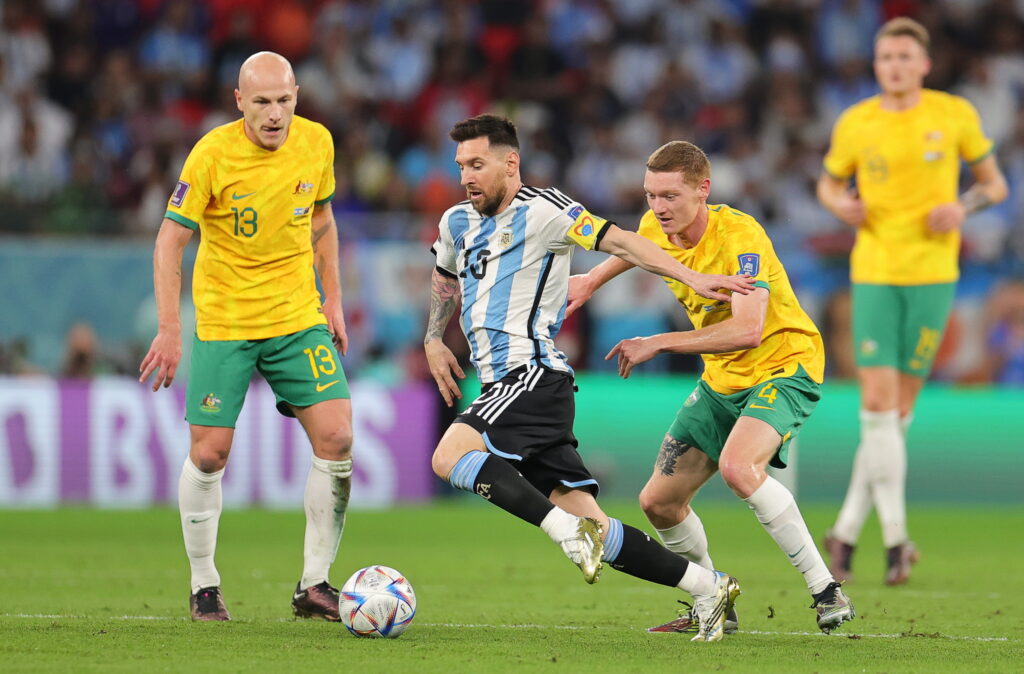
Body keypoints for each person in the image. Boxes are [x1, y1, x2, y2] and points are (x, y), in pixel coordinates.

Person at [424, 114, 753, 642]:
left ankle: (563, 531)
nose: (466, 175)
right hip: (502, 386)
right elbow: (444, 276)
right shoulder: (454, 223)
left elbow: (622, 241)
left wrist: (692, 275)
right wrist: (433, 338)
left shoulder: (545, 210)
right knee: (597, 526)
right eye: (461, 164)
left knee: (448, 457)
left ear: (511, 163)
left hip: (531, 375)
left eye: (477, 164)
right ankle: (708, 587)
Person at [567, 140, 856, 635]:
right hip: (723, 379)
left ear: (703, 190)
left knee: (739, 467)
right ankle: (713, 596)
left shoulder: (740, 237)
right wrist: (591, 279)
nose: (658, 207)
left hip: (783, 364)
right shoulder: (655, 224)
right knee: (658, 502)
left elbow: (748, 331)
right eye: (650, 194)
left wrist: (657, 342)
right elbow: (638, 248)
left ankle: (826, 589)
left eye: (670, 196)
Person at [138, 52, 354, 622]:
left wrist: (333, 299)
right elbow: (169, 242)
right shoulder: (212, 153)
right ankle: (204, 583)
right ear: (239, 102)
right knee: (210, 453)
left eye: (284, 100)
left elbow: (323, 222)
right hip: (226, 321)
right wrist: (169, 328)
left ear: (297, 97)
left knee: (337, 438)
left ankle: (315, 585)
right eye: (261, 102)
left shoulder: (318, 143)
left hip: (295, 317)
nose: (275, 114)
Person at [816, 17, 1008, 585]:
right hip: (874, 272)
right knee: (876, 403)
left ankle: (845, 533)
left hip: (933, 274)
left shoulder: (953, 115)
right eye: (885, 58)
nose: (894, 66)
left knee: (895, 418)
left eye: (904, 57)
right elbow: (828, 182)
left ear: (924, 64)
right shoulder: (857, 122)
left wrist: (963, 207)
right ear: (876, 65)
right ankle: (898, 540)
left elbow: (995, 184)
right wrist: (838, 206)